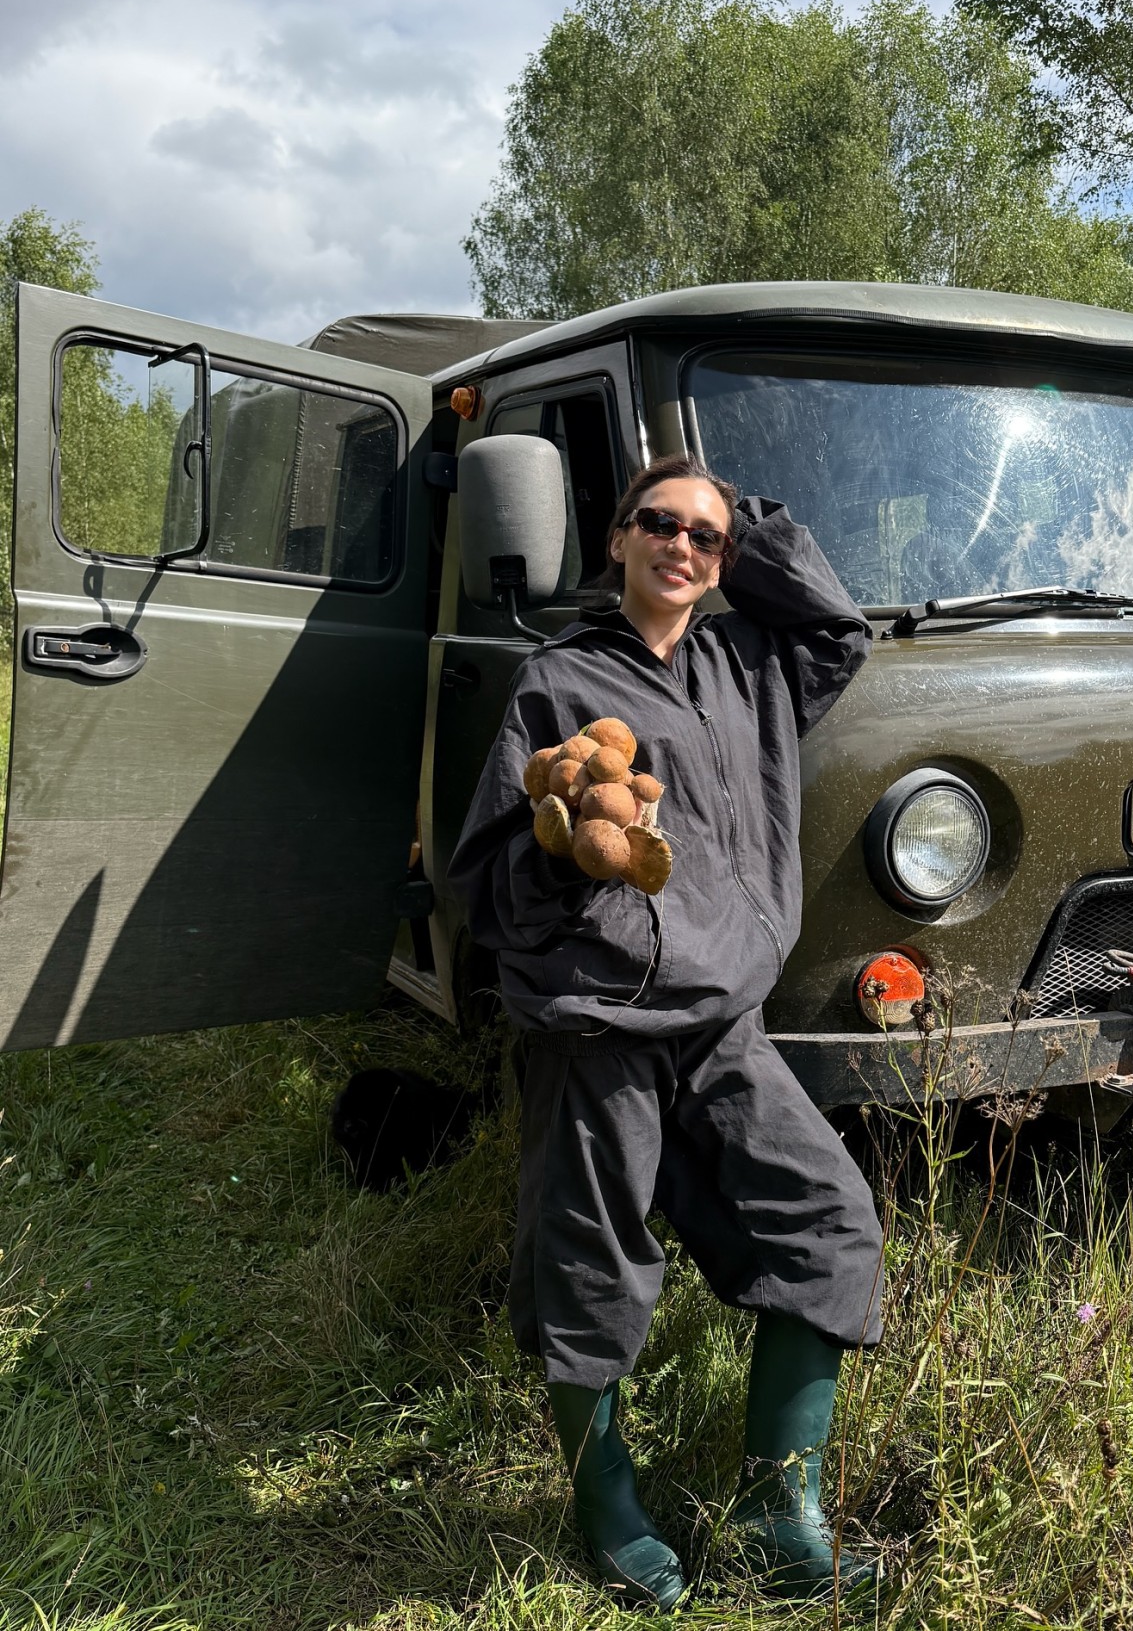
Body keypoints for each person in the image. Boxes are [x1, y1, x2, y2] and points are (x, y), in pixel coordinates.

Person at [447, 453, 885, 1609]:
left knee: (828, 1222)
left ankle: (775, 1513)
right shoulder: (559, 678)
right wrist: (556, 846)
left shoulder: (751, 664)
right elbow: (486, 886)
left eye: (706, 535)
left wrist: (750, 503)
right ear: (616, 538)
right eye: (659, 524)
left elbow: (839, 631)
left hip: (723, 1016)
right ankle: (607, 1504)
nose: (682, 547)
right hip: (602, 1025)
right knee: (593, 1270)